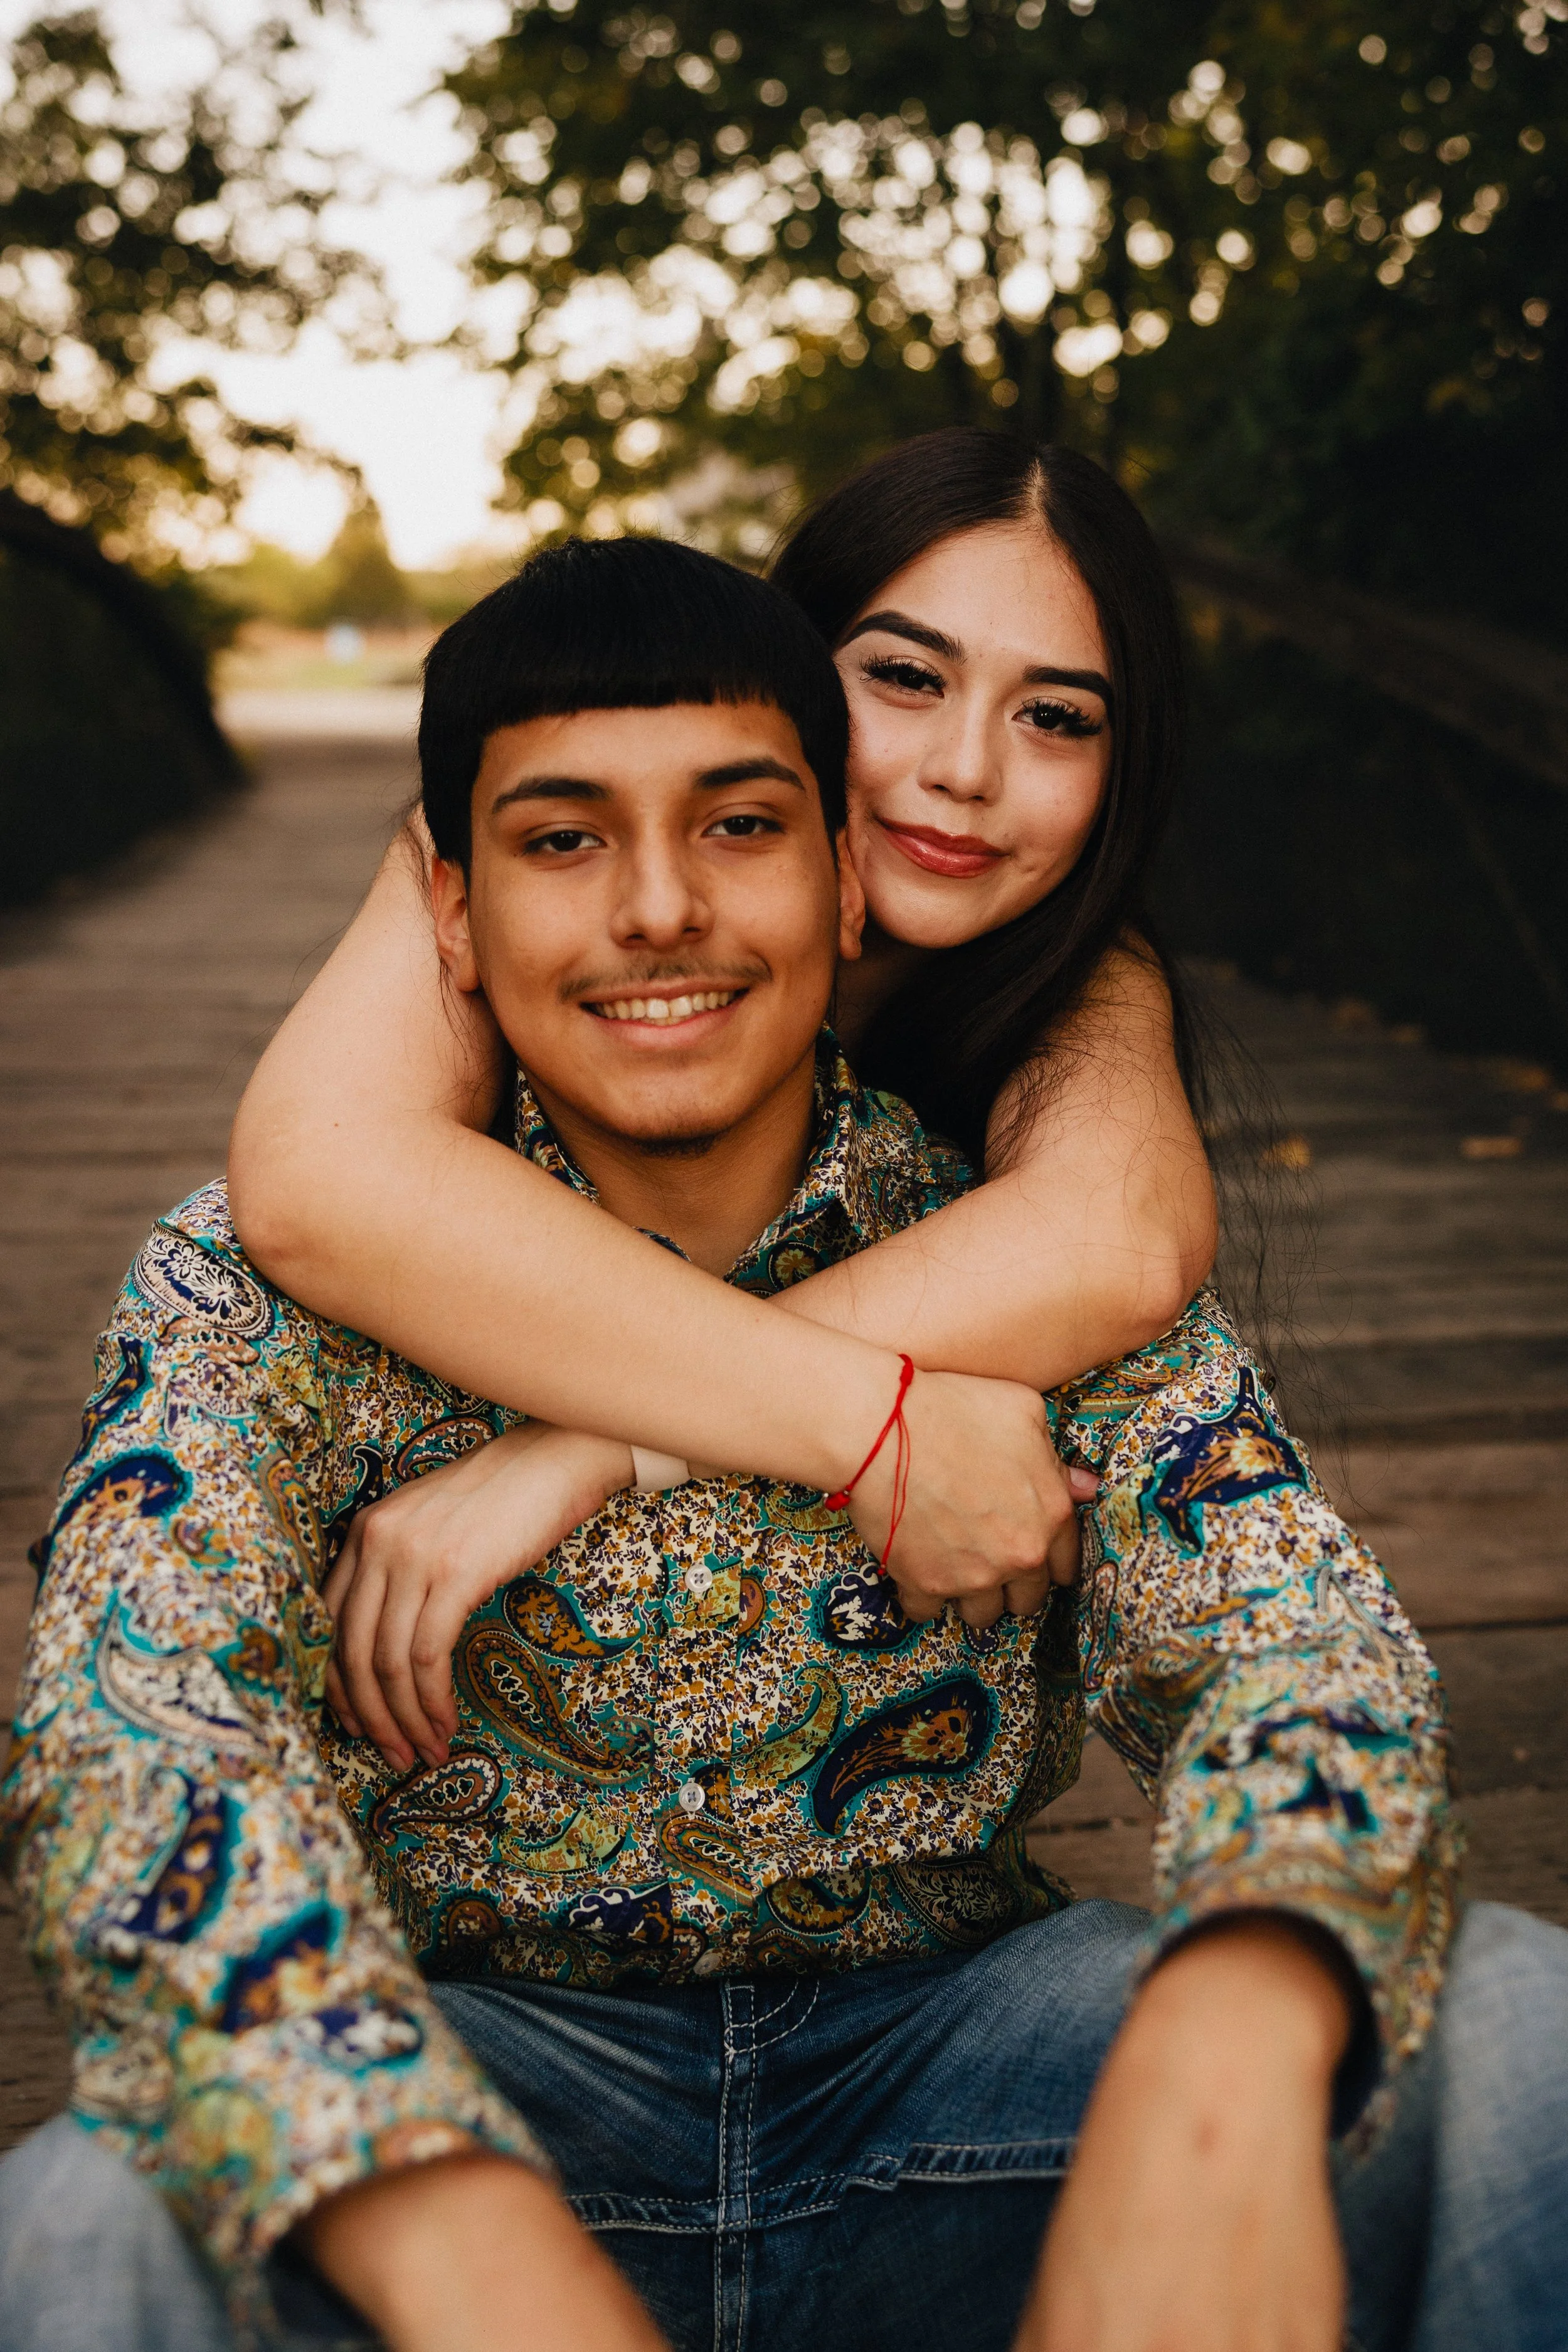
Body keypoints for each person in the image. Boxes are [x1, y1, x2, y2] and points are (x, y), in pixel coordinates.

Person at [1, 536, 1561, 2352]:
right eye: (562, 839)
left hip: (961, 2058)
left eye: (739, 824)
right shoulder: (264, 1285)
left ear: (848, 880)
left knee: (1520, 2035)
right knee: (78, 2221)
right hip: (478, 2078)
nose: (657, 906)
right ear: (449, 908)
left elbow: (1300, 1637)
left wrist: (1224, 2053)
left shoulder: (1009, 1250)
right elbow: (131, 1722)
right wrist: (434, 2208)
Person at [225, 433, 1218, 1773]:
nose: (965, 770)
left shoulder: (1084, 970)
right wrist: (842, 1411)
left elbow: (1120, 1242)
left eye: (1056, 717)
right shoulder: (510, 848)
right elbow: (319, 1177)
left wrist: (593, 1441)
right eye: (905, 678)